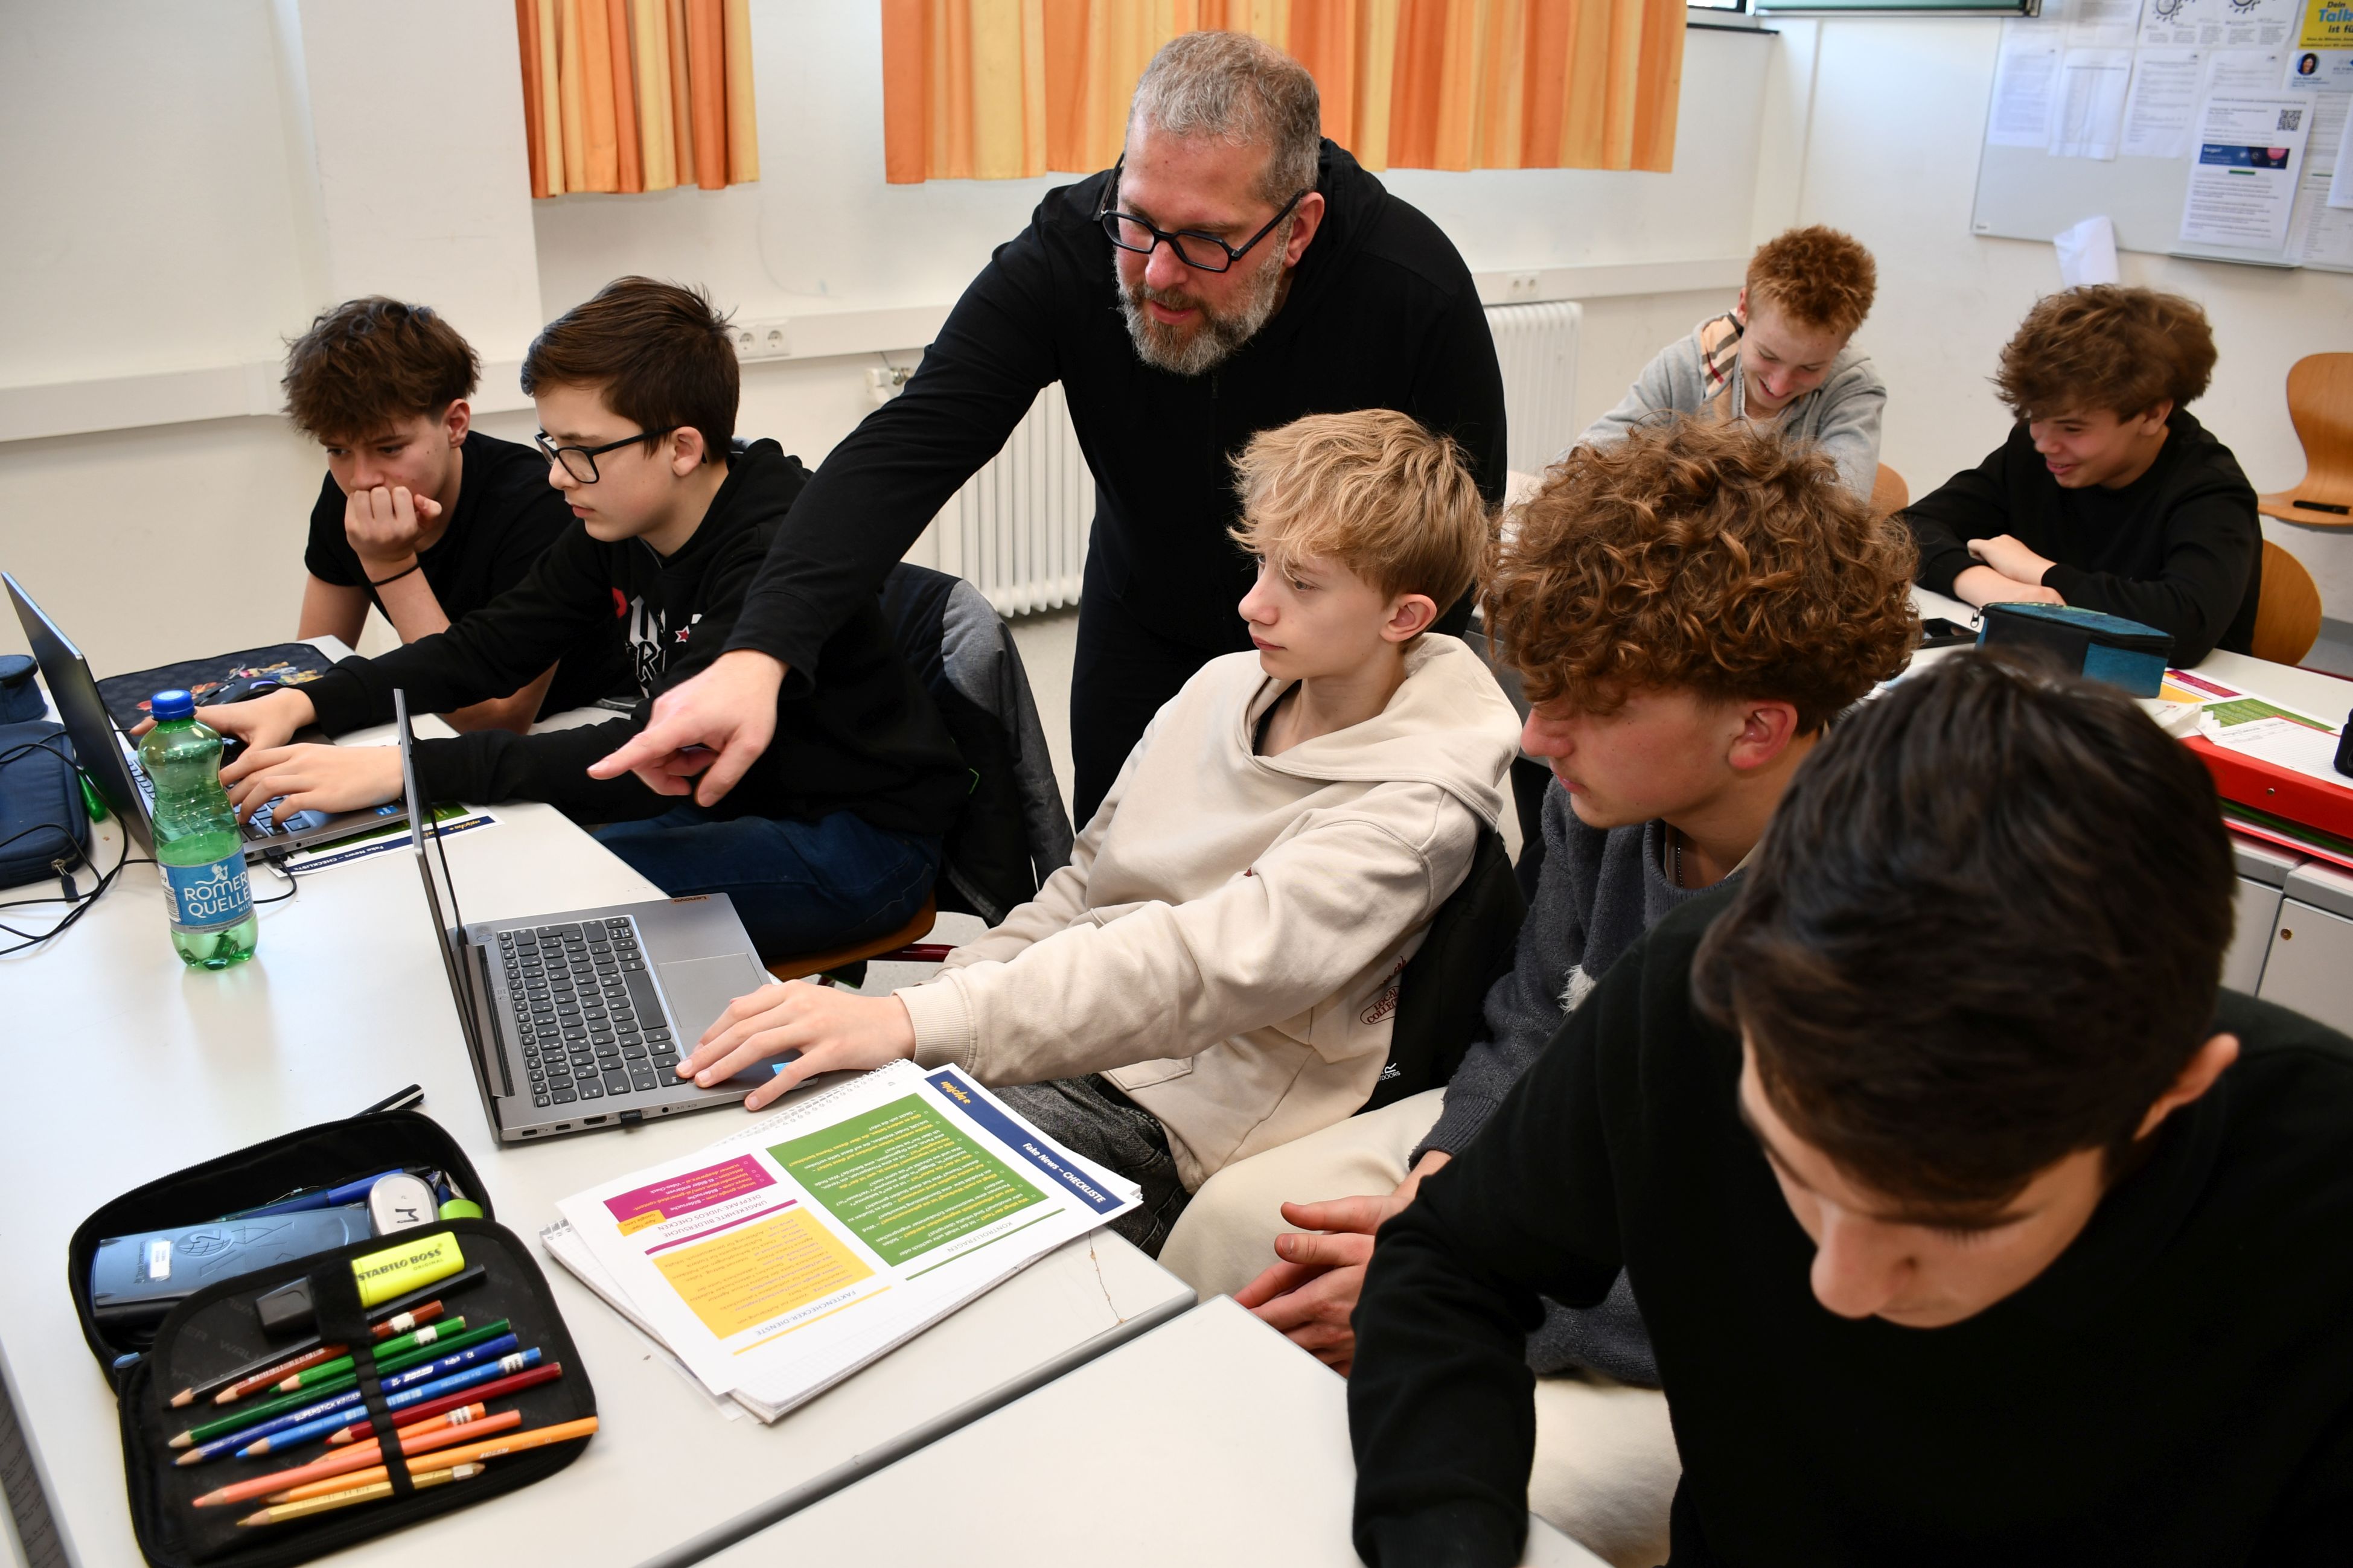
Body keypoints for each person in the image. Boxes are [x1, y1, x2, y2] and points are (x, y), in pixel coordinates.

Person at [1347, 649, 2353, 1566]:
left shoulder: (2315, 1190)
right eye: (1790, 1167)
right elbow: (1451, 1262)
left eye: (1956, 1220)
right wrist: (1444, 1533)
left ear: (2168, 1091)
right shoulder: (1698, 987)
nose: (1841, 1283)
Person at [1157, 417, 1918, 1567]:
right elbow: (1529, 1018)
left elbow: (1797, 1277)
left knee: (1509, 1473)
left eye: (1589, 703)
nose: (1533, 733)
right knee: (1232, 1221)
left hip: (1717, 1311)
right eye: (1537, 686)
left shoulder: (1881, 918)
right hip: (1576, 1176)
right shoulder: (1600, 800)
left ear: (1756, 727)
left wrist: (1484, 1297)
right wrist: (1444, 1182)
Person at [587, 30, 1507, 828]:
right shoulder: (1072, 247)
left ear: (1297, 229)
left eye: (1204, 240)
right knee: (1121, 874)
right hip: (1143, 618)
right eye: (1138, 220)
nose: (1156, 273)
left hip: (1339, 654)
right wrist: (761, 651)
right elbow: (909, 444)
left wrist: (1360, 692)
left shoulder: (1410, 290)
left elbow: (1454, 541)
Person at [673, 410, 1521, 1256]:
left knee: (810, 1224)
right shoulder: (1223, 684)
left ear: (1403, 616)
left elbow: (1195, 970)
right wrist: (937, 1003)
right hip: (1059, 1033)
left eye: (1301, 583)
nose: (1252, 602)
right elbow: (1084, 885)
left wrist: (918, 1023)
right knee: (763, 1132)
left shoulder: (1416, 810)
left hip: (1166, 1115)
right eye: (1261, 561)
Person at [201, 278, 968, 957]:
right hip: (725, 802)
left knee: (529, 898)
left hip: (854, 843)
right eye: (553, 444)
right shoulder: (618, 520)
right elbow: (486, 648)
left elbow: (647, 749)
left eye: (581, 449)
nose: (557, 475)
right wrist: (306, 702)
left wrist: (403, 770)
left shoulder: (776, 551)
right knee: (497, 868)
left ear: (681, 447)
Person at [282, 296, 628, 730]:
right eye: (338, 450)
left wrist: (391, 565)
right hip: (458, 721)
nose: (362, 479)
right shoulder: (350, 492)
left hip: (590, 715)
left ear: (455, 424)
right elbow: (314, 663)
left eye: (389, 448)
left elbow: (497, 720)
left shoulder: (539, 501)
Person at [1904, 284, 2261, 665]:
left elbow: (2184, 626)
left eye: (2073, 429)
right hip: (2046, 667)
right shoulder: (2034, 452)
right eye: (2036, 417)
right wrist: (1990, 587)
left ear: (2152, 415)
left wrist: (2039, 572)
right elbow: (1907, 530)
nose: (2045, 443)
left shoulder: (2211, 490)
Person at [1576, 226, 1884, 501]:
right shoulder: (1682, 367)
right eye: (1768, 356)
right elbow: (1586, 461)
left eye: (1810, 368)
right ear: (1744, 308)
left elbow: (1841, 508)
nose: (1779, 385)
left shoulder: (1854, 387)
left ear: (1844, 342)